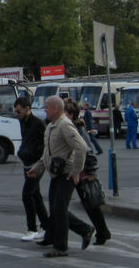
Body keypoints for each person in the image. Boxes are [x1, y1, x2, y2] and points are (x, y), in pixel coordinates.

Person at [26, 96, 93, 258]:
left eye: (47, 107)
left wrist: (76, 171)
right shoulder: (51, 126)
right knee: (56, 210)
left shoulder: (64, 125)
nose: (45, 110)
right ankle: (84, 230)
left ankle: (61, 247)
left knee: (59, 210)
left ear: (56, 108)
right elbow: (47, 154)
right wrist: (37, 169)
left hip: (66, 174)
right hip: (55, 174)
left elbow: (82, 147)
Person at [65, 99, 111, 245]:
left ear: (71, 114)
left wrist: (91, 172)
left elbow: (88, 150)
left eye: (64, 112)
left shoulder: (77, 129)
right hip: (75, 171)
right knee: (89, 205)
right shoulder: (71, 127)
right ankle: (103, 232)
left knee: (90, 204)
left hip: (82, 173)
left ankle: (101, 232)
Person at [14, 96, 48, 242]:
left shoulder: (38, 124)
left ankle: (32, 228)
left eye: (19, 111)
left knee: (27, 195)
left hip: (36, 164)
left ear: (28, 109)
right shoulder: (23, 122)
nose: (17, 114)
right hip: (27, 162)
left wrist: (35, 155)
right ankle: (47, 227)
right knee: (35, 195)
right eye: (16, 112)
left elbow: (45, 144)